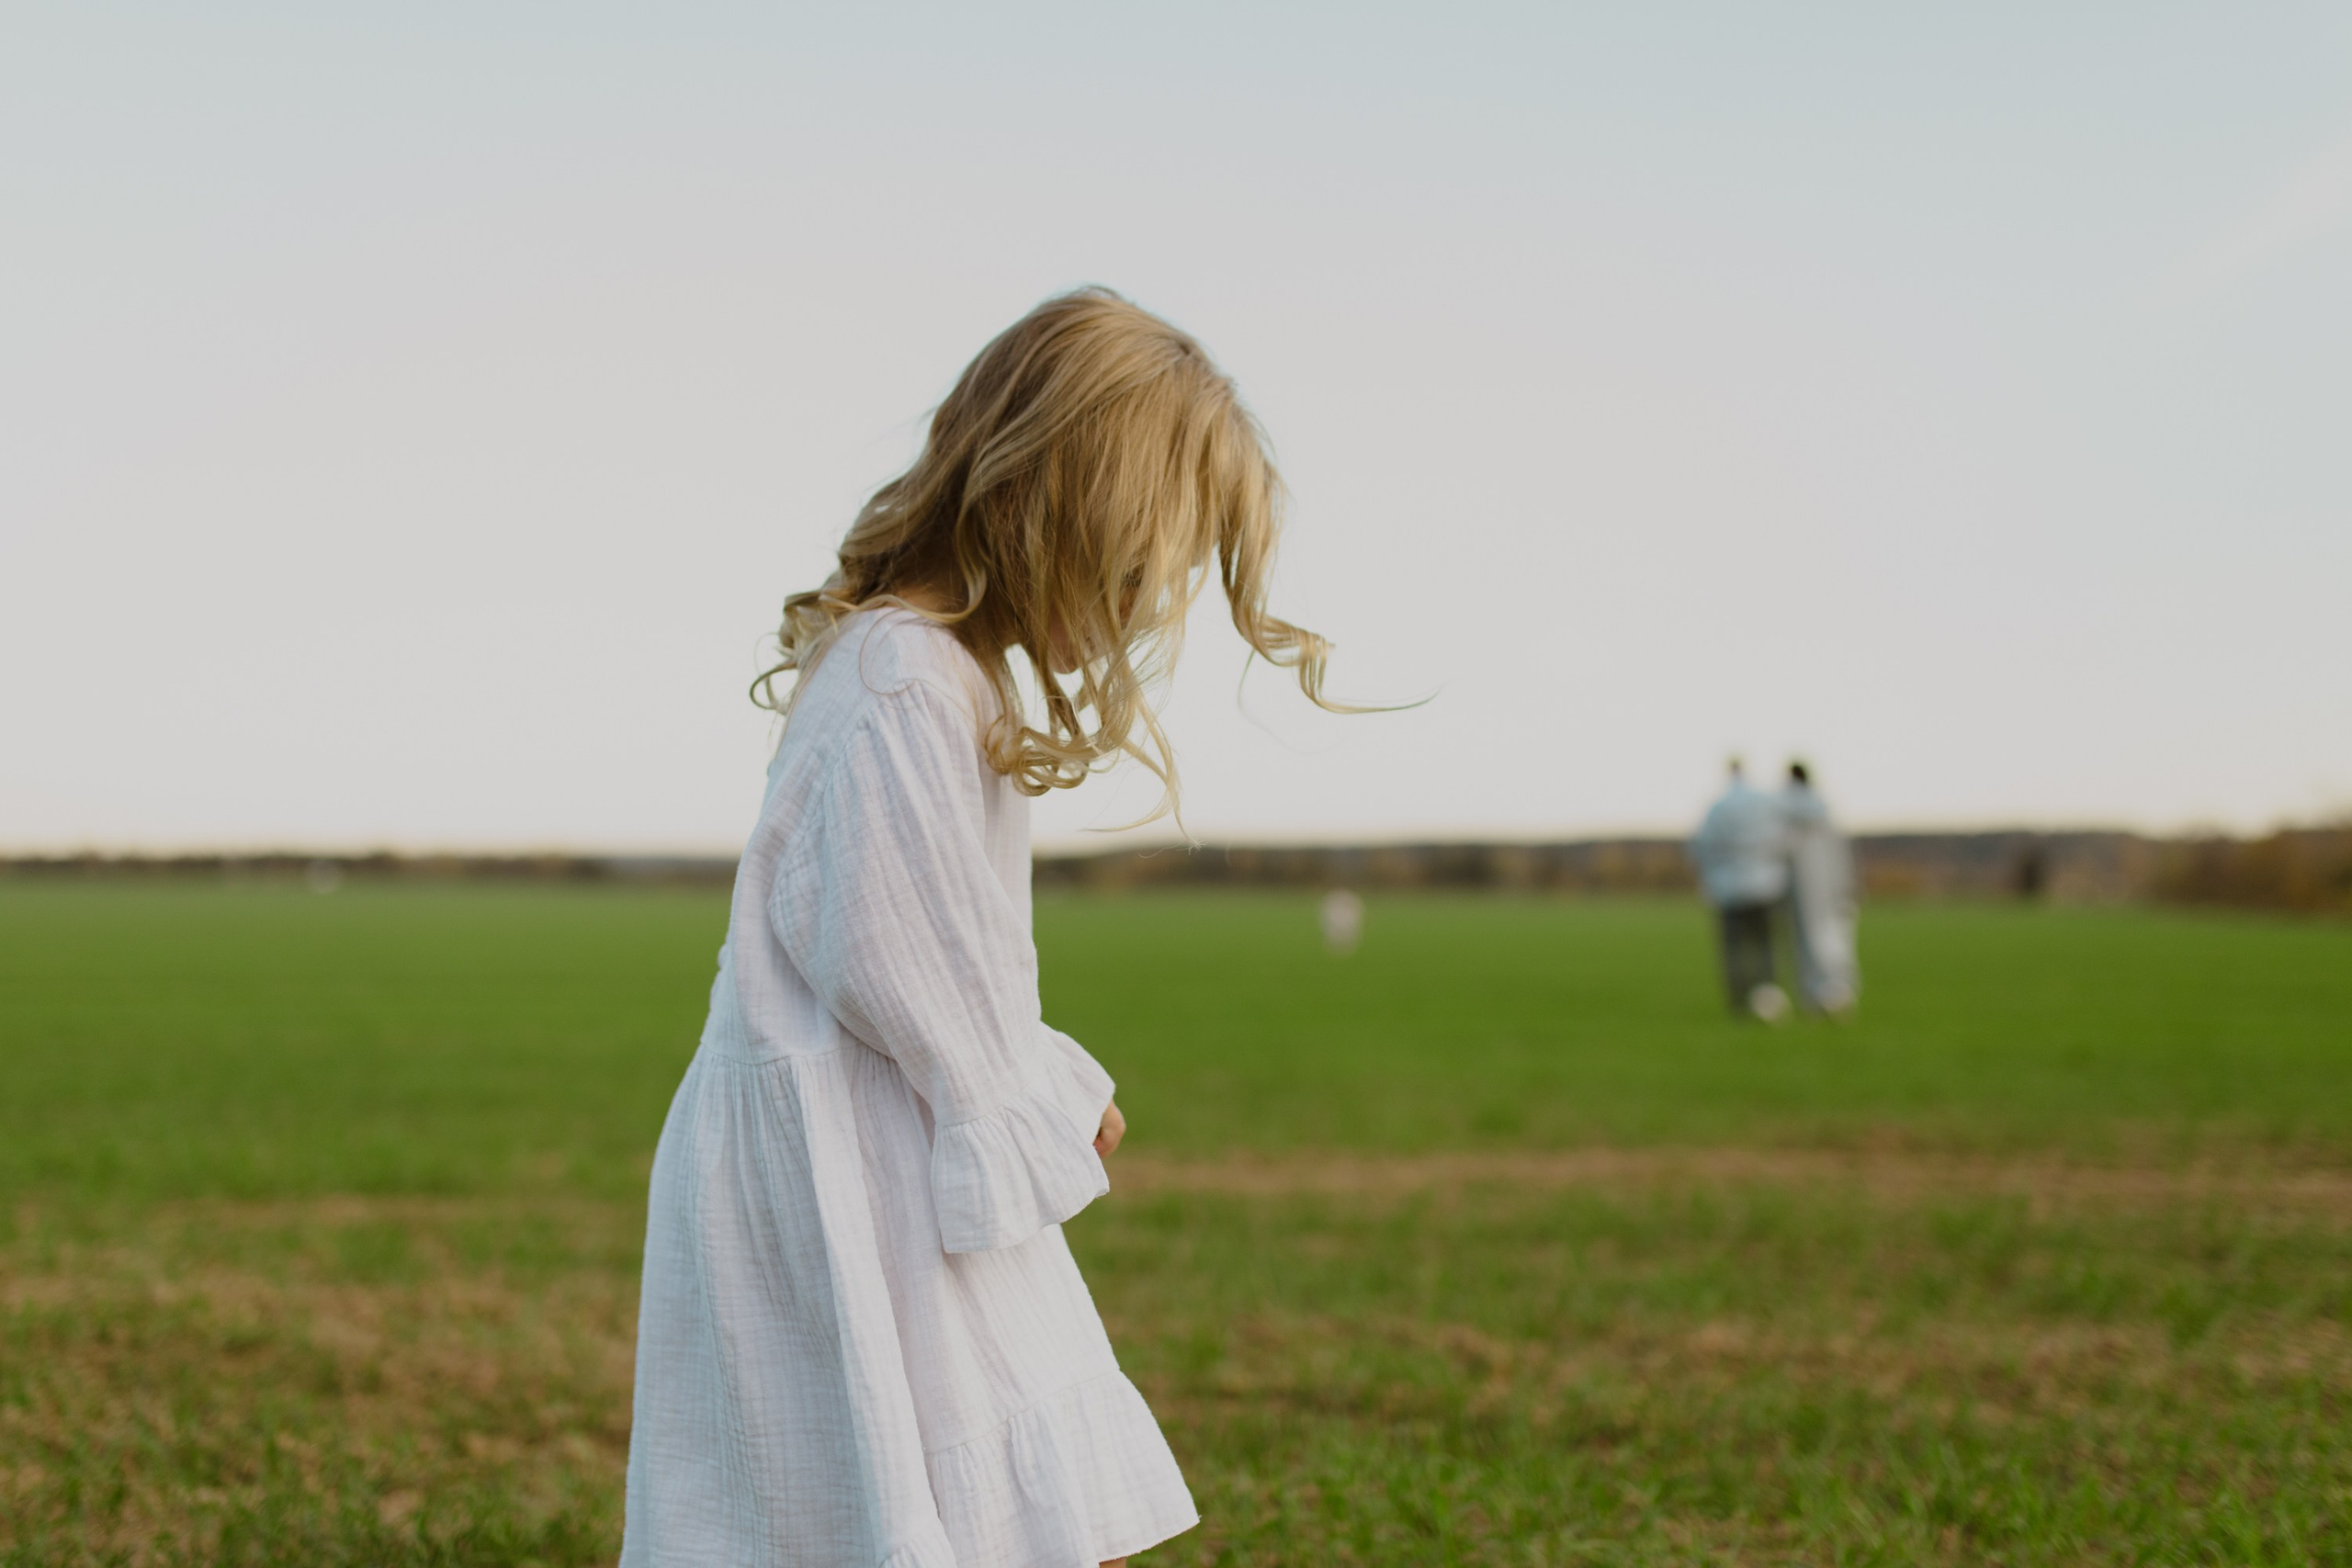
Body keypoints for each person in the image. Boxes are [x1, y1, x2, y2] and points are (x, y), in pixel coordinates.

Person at [621, 289, 1338, 1568]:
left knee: (1012, 1494)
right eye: (1134, 569)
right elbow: (896, 957)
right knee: (992, 1489)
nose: (1139, 610)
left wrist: (1020, 1068)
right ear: (1049, 505)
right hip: (866, 1162)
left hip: (896, 1131)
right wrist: (1022, 1086)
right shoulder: (905, 678)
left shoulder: (938, 673)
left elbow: (929, 943)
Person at [1688, 757, 1792, 1020]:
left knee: (1735, 948)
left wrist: (1712, 876)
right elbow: (1782, 839)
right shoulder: (1766, 803)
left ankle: (1740, 1002)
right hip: (1765, 885)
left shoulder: (1718, 807)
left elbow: (1701, 846)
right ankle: (1768, 997)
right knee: (1765, 945)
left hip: (1729, 888)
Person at [1781, 760, 1860, 1016]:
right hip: (1830, 888)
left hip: (1810, 889)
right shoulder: (1823, 810)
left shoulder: (1790, 810)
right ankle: (1829, 992)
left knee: (1814, 942)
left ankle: (1825, 993)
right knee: (1833, 939)